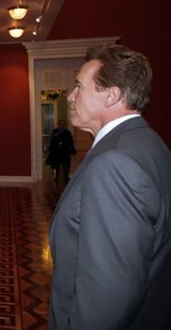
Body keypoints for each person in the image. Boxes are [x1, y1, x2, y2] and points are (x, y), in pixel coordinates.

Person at [48, 44, 171, 329]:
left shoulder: (115, 162)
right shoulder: (148, 143)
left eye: (80, 86)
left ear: (112, 95)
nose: (71, 96)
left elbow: (106, 294)